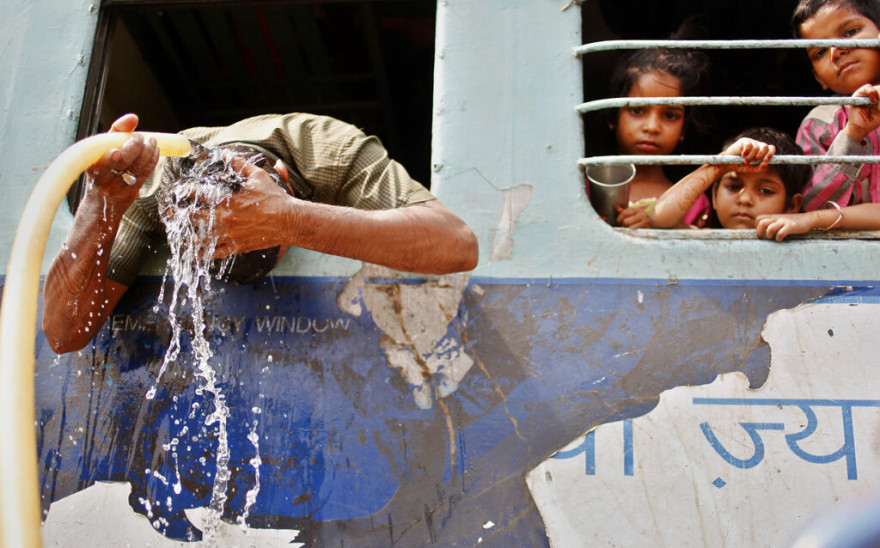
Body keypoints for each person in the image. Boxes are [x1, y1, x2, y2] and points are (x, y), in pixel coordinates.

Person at [42, 113, 479, 354]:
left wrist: (287, 218)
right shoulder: (159, 188)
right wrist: (102, 201)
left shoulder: (328, 148)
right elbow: (64, 333)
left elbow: (457, 243)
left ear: (285, 178)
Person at [605, 20, 713, 228]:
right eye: (637, 111)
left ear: (684, 129)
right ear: (613, 117)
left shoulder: (694, 201)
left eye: (670, 116)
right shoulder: (585, 189)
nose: (652, 127)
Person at [791, 0, 880, 211]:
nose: (836, 51)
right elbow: (811, 206)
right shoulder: (818, 124)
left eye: (850, 32)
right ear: (818, 77)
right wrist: (852, 134)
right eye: (820, 52)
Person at [650, 127, 809, 230]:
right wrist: (721, 164)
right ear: (714, 196)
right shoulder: (704, 240)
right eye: (733, 187)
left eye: (765, 190)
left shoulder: (800, 246)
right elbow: (660, 217)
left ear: (792, 206)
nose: (745, 199)